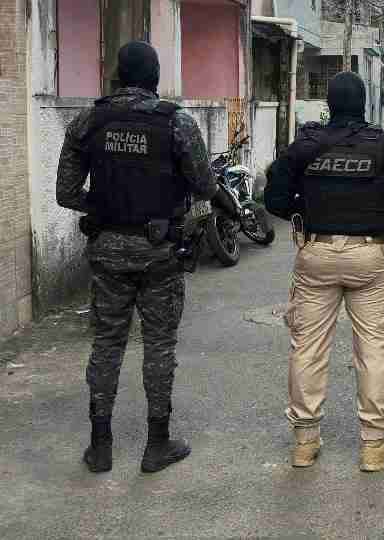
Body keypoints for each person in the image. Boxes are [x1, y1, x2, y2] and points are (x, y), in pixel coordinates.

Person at [56, 41, 217, 473]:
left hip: (107, 252)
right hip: (159, 252)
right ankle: (157, 444)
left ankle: (100, 446)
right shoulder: (176, 122)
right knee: (159, 345)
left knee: (107, 343)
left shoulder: (89, 121)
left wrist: (104, 207)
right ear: (155, 77)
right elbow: (205, 185)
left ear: (117, 76)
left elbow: (65, 193)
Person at [264, 71, 384, 471]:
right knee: (373, 350)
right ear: (364, 104)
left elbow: (274, 199)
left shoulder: (305, 145)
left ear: (328, 105)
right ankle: (373, 447)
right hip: (369, 256)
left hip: (315, 253)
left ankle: (304, 443)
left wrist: (304, 206)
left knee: (307, 347)